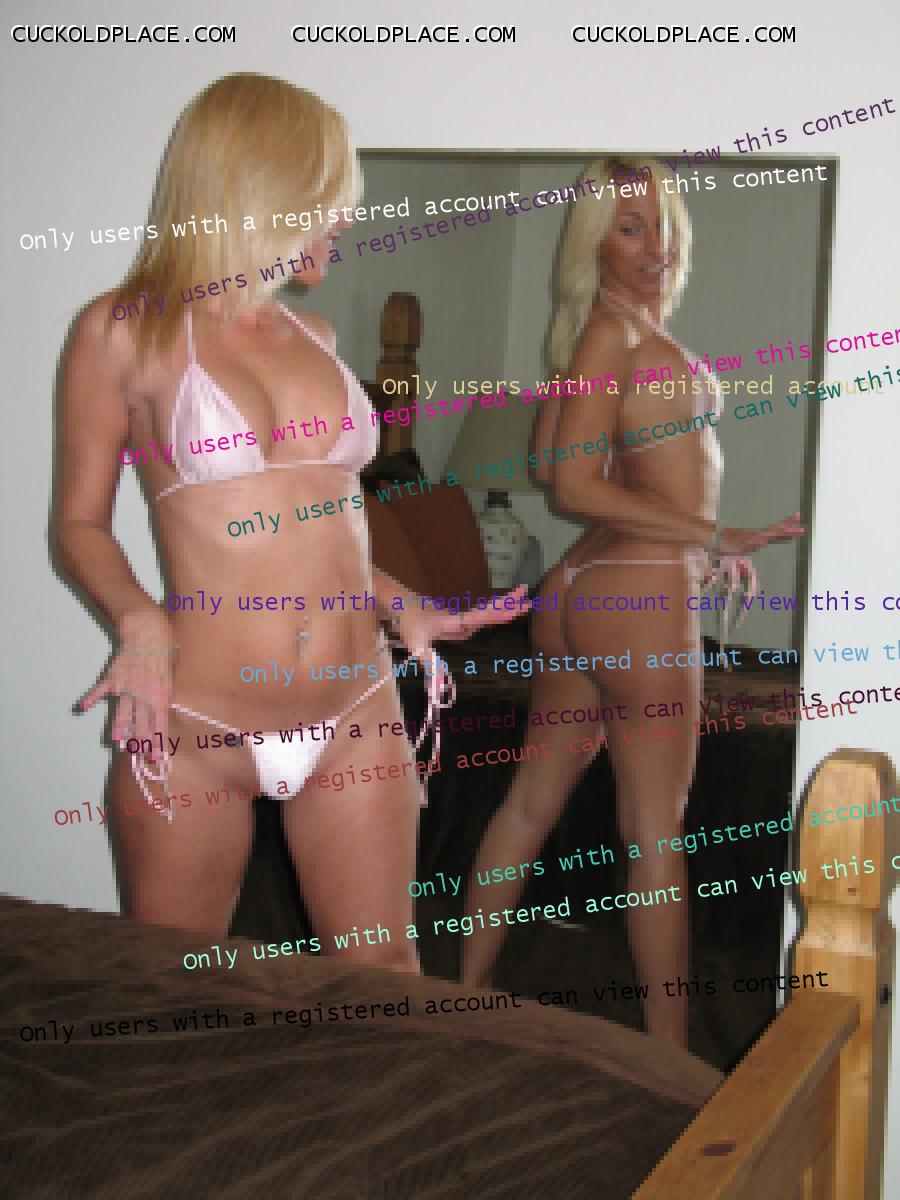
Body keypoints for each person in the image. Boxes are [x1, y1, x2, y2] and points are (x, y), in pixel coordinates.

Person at [55, 72, 526, 970]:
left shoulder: (318, 341)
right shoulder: (123, 331)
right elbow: (78, 525)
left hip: (355, 703)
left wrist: (400, 601)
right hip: (201, 721)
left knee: (385, 984)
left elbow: (322, 523)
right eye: (330, 197)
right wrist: (139, 620)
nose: (344, 219)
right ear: (265, 189)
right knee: (178, 989)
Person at [461, 156, 803, 1042]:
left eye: (664, 224)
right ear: (594, 243)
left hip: (581, 588)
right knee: (656, 832)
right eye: (629, 227)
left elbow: (551, 467)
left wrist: (685, 537)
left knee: (530, 804)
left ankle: (464, 996)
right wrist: (709, 535)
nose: (656, 245)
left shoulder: (597, 334)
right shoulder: (615, 336)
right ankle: (673, 1060)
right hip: (637, 595)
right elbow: (573, 485)